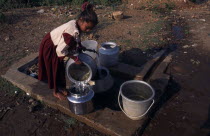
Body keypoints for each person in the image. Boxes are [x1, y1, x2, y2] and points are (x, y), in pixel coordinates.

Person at [38, 2, 98, 100]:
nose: (87, 31)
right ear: (81, 20)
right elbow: (60, 51)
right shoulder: (70, 34)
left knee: (60, 68)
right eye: (87, 28)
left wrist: (80, 45)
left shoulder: (76, 23)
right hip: (51, 46)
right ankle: (56, 91)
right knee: (54, 69)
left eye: (90, 29)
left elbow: (76, 36)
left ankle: (61, 87)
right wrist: (75, 58)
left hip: (57, 44)